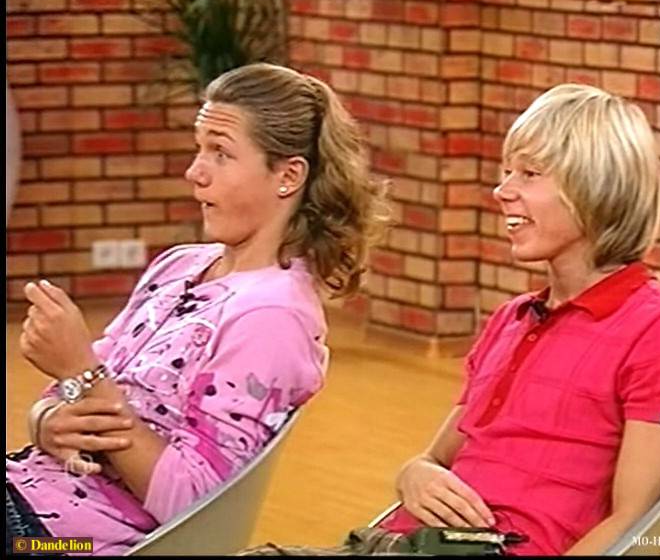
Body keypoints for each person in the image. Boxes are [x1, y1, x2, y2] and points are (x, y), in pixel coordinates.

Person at [240, 84, 660, 556]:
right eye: (506, 172)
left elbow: (634, 524)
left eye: (529, 174)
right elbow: (436, 458)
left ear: (598, 189)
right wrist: (414, 474)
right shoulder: (514, 319)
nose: (501, 191)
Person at [6, 62, 388, 555]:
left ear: (288, 176)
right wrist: (45, 420)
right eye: (199, 148)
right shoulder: (180, 265)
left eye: (221, 154)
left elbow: (195, 503)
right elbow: (64, 398)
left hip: (61, 545)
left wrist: (81, 370)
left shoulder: (272, 318)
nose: (195, 172)